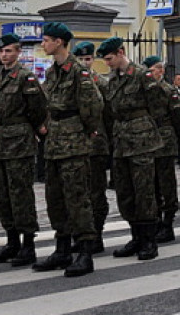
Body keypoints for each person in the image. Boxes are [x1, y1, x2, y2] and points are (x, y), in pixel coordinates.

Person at [33, 22, 102, 277]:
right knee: (55, 199)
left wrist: (86, 130)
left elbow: (93, 105)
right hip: (53, 143)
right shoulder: (52, 73)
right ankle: (62, 249)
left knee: (78, 198)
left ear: (59, 42)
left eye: (47, 40)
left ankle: (84, 252)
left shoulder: (78, 72)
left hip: (73, 143)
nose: (43, 44)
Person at [96, 36, 164, 260]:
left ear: (121, 52)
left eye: (109, 58)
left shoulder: (143, 75)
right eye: (105, 60)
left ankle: (149, 240)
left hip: (141, 140)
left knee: (144, 191)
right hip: (121, 141)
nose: (108, 63)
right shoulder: (113, 79)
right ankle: (135, 236)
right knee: (125, 192)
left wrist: (147, 129)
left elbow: (157, 105)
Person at [0, 32, 48, 269]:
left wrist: (27, 129)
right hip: (0, 142)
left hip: (19, 142)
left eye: (8, 51)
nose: (4, 55)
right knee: (1, 194)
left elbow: (38, 109)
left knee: (20, 192)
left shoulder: (25, 77)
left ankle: (28, 244)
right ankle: (11, 241)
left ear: (18, 52)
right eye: (1, 51)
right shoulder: (0, 76)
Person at [142, 55, 180, 243]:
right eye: (149, 71)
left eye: (153, 70)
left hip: (165, 142)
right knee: (152, 185)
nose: (150, 74)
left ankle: (168, 224)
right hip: (150, 140)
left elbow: (179, 118)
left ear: (160, 70)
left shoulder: (168, 91)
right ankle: (156, 221)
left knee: (166, 184)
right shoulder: (145, 90)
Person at [72, 40, 110, 252]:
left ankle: (97, 234)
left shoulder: (102, 83)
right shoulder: (72, 82)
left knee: (96, 192)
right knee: (78, 192)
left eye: (88, 59)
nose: (85, 63)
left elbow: (110, 114)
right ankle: (80, 234)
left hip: (96, 145)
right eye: (81, 59)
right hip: (75, 145)